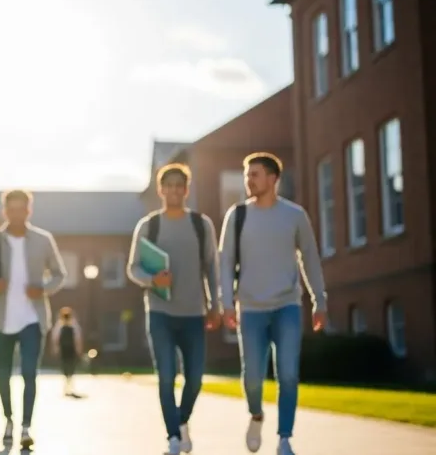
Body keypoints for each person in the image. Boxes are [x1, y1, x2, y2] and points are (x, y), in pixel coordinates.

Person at [219, 152, 328, 455]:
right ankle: (256, 415)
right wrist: (226, 303)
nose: (248, 180)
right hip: (251, 309)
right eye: (246, 174)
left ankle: (284, 438)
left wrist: (320, 299)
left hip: (287, 307)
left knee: (289, 373)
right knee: (253, 376)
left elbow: (310, 258)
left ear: (273, 178)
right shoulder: (237, 215)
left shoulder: (294, 215)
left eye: (254, 174)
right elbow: (225, 262)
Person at [127, 163, 220, 455]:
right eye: (169, 185)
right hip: (160, 313)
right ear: (161, 190)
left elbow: (212, 267)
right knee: (166, 376)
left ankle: (181, 421)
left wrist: (215, 304)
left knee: (195, 379)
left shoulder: (201, 224)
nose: (175, 190)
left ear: (187, 190)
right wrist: (151, 279)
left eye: (180, 185)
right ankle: (173, 438)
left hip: (194, 313)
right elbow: (133, 267)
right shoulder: (149, 225)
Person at [0, 189, 67, 450]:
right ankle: (8, 421)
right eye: (11, 209)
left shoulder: (43, 239)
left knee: (29, 373)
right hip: (0, 319)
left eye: (21, 209)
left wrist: (43, 288)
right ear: (5, 211)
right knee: (3, 374)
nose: (16, 214)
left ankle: (26, 427)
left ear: (29, 210)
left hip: (33, 319)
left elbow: (60, 274)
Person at [50, 306, 84, 398]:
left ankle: (67, 384)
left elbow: (55, 338)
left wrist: (56, 348)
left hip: (65, 349)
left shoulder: (60, 326)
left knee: (66, 366)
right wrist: (79, 349)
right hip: (70, 349)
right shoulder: (73, 325)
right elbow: (77, 338)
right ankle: (68, 384)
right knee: (70, 366)